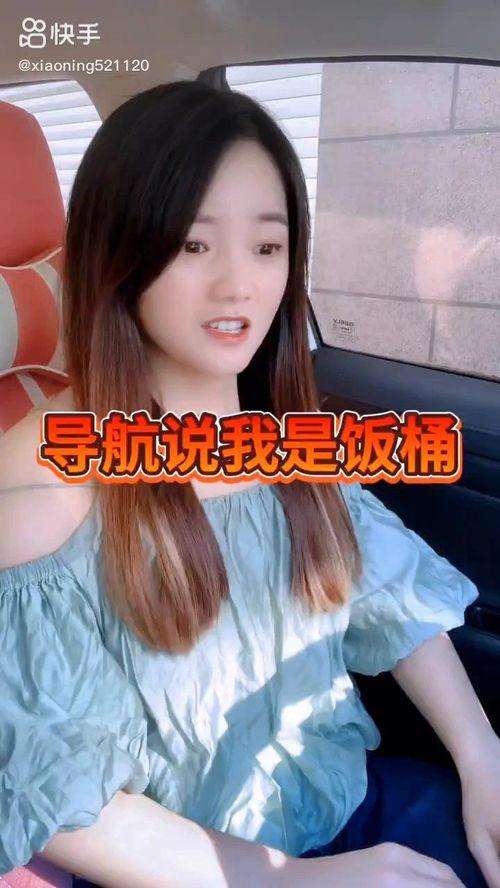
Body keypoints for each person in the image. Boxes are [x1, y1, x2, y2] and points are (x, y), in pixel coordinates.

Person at [0, 80, 498, 888]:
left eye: (267, 247)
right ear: (120, 253)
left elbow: (389, 587)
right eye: (195, 245)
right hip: (188, 864)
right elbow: (57, 788)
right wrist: (287, 879)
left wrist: (482, 754)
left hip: (348, 802)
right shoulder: (41, 479)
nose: (240, 285)